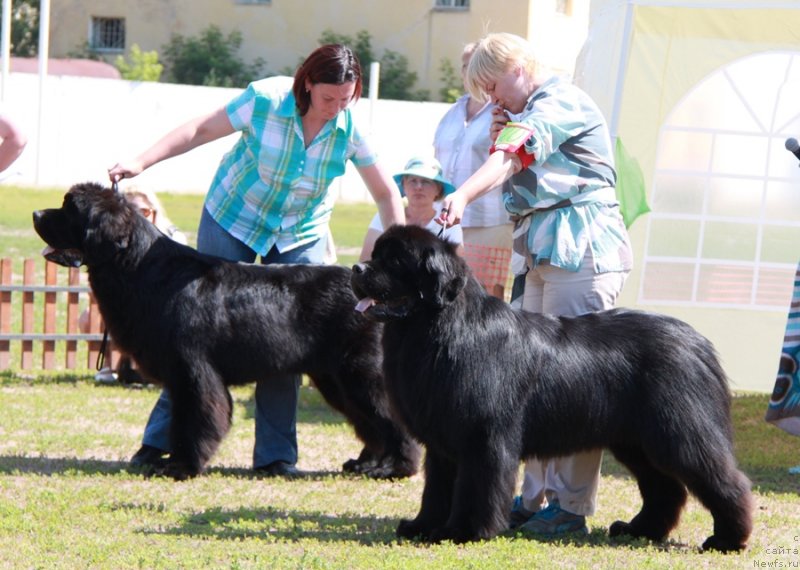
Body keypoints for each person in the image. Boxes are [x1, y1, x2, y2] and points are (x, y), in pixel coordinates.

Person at [108, 44, 405, 477]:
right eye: (328, 99)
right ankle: (158, 444)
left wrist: (393, 257)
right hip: (234, 218)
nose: (336, 109)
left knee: (285, 344)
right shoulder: (265, 99)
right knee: (189, 336)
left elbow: (385, 194)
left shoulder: (350, 127)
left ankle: (275, 457)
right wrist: (141, 161)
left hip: (299, 231)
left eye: (346, 99)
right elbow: (198, 131)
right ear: (307, 84)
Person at [438, 32, 633, 536]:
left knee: (581, 385)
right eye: (482, 91)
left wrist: (460, 195)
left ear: (521, 66)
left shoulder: (561, 101)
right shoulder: (524, 109)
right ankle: (534, 498)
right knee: (535, 383)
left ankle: (570, 508)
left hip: (582, 249)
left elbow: (510, 159)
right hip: (542, 251)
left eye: (494, 85)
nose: (492, 99)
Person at [83, 186, 187, 384]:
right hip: (132, 304)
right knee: (88, 317)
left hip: (165, 307)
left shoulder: (174, 237)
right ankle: (109, 367)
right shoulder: (116, 240)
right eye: (132, 212)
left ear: (154, 211)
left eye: (144, 212)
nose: (138, 217)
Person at [434, 43, 512, 299]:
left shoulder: (503, 111)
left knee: (487, 297)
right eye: (465, 65)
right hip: (449, 219)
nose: (468, 72)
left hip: (489, 219)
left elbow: (506, 159)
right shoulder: (453, 112)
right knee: (451, 292)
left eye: (475, 65)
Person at [359, 156, 463, 261]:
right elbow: (366, 259)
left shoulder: (447, 223)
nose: (418, 187)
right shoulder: (385, 214)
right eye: (413, 181)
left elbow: (455, 266)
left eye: (426, 181)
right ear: (403, 186)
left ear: (438, 189)